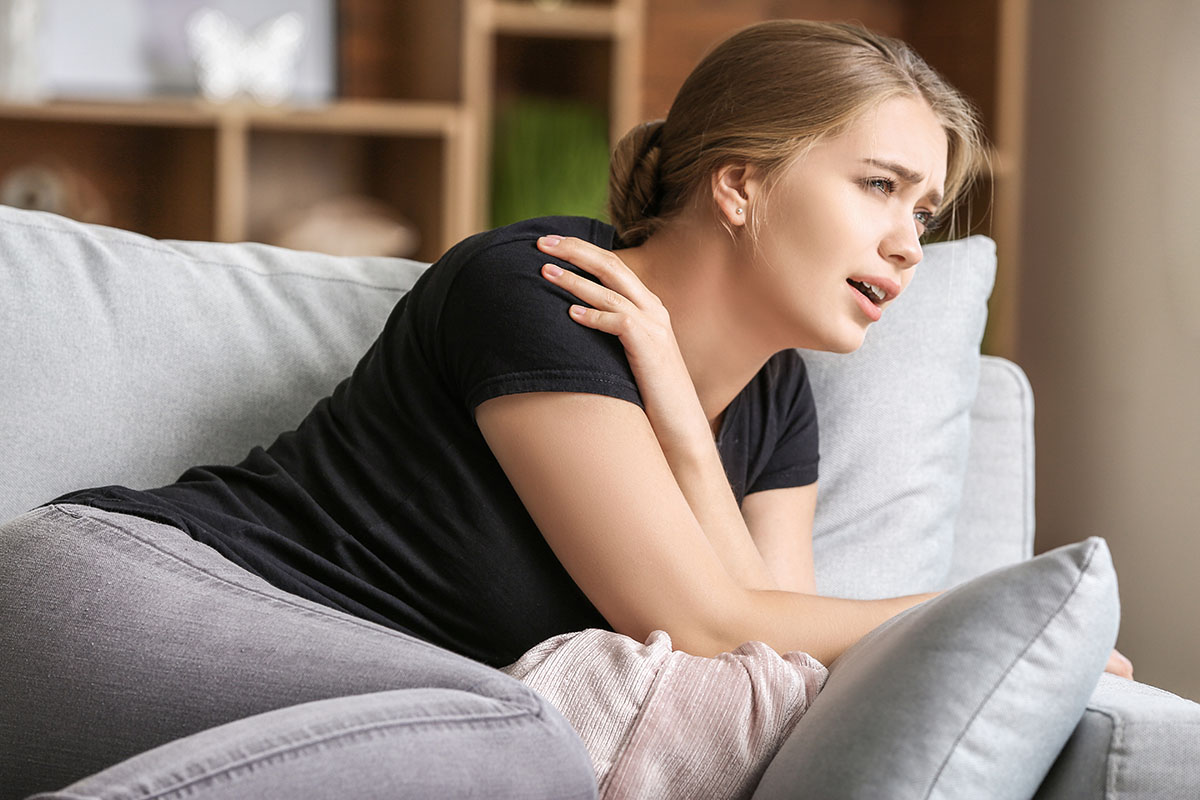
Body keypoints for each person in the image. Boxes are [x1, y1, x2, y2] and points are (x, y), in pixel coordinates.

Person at [0, 18, 1133, 800]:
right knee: (527, 743)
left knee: (512, 745)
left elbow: (764, 651)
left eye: (924, 212)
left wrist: (684, 424)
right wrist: (1002, 611)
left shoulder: (781, 397)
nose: (908, 243)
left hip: (330, 707)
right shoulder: (543, 286)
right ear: (741, 183)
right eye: (879, 185)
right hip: (119, 600)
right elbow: (704, 618)